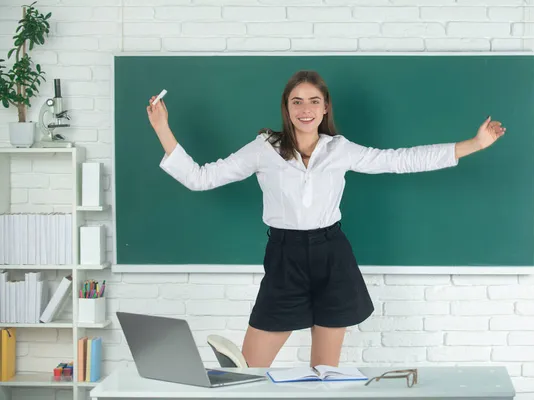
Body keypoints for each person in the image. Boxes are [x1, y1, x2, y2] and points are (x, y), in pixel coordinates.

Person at [146, 70, 506, 369]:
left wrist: (473, 144)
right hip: (284, 258)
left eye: (313, 101)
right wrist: (162, 126)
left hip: (332, 255)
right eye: (296, 101)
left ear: (325, 107)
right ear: (286, 109)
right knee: (249, 372)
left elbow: (400, 160)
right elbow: (200, 178)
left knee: (324, 376)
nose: (305, 109)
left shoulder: (340, 149)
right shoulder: (264, 149)